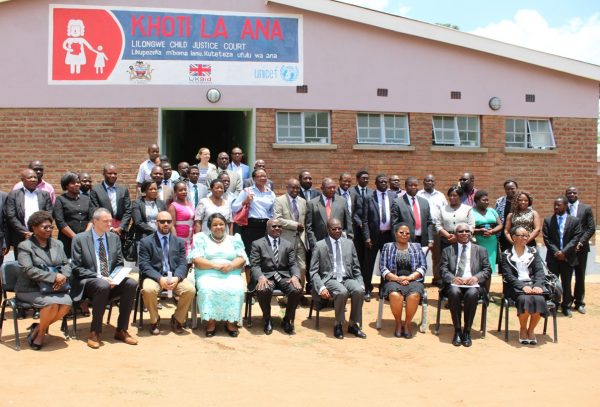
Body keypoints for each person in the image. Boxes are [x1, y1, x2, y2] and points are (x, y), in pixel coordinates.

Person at [71, 208, 138, 348]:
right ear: (95, 222)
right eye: (105, 221)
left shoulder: (114, 238)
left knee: (131, 283)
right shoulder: (80, 239)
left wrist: (115, 278)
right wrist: (100, 277)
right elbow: (76, 268)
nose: (109, 224)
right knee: (102, 285)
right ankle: (94, 332)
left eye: (110, 221)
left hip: (110, 281)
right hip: (89, 282)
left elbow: (119, 263)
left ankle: (121, 330)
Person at [15, 211, 72, 350]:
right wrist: (53, 277)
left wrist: (63, 275)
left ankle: (38, 328)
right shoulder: (25, 246)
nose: (49, 230)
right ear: (33, 228)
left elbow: (66, 263)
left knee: (66, 304)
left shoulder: (57, 244)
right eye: (44, 227)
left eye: (50, 227)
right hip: (29, 288)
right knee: (51, 304)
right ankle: (41, 335)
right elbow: (27, 270)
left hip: (55, 286)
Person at [188, 213, 248, 337]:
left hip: (230, 272)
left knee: (236, 288)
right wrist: (216, 266)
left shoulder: (234, 239)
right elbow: (197, 260)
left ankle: (231, 322)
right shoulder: (201, 238)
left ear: (225, 226)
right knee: (207, 289)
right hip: (207, 273)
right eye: (215, 224)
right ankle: (211, 322)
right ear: (209, 227)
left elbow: (242, 258)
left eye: (221, 224)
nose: (218, 227)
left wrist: (230, 266)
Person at [138, 211, 196, 335]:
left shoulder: (179, 242)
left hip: (174, 277)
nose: (166, 224)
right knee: (148, 289)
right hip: (154, 277)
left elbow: (182, 263)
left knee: (190, 289)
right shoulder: (146, 242)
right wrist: (159, 278)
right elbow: (144, 265)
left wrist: (178, 277)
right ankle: (154, 320)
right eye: (162, 221)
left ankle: (177, 319)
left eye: (169, 222)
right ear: (156, 223)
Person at [310, 218, 366, 339]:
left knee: (359, 290)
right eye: (334, 229)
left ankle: (353, 324)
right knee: (342, 292)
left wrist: (360, 282)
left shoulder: (349, 243)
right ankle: (338, 324)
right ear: (327, 229)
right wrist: (321, 287)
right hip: (329, 279)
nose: (337, 231)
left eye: (339, 228)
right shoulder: (320, 245)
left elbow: (356, 267)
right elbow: (313, 272)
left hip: (347, 277)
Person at [440, 223, 491, 347]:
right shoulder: (448, 250)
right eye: (461, 231)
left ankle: (467, 331)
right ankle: (457, 330)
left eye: (467, 231)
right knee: (454, 292)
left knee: (472, 294)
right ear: (456, 234)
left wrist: (476, 278)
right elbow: (442, 269)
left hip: (473, 284)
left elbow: (487, 269)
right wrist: (453, 279)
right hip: (455, 284)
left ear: (471, 233)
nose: (464, 233)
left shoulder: (480, 250)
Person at [250, 219, 303, 335]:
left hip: (284, 277)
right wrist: (260, 277)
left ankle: (287, 319)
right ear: (267, 228)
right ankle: (267, 319)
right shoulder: (258, 244)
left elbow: (293, 264)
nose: (277, 228)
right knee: (263, 290)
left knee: (297, 290)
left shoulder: (287, 244)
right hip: (267, 277)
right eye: (274, 226)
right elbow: (255, 265)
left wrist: (295, 276)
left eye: (279, 226)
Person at [501, 226, 548, 344]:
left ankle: (531, 330)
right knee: (524, 299)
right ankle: (523, 328)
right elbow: (508, 275)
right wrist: (522, 286)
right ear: (514, 237)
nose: (525, 238)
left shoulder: (533, 252)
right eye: (522, 235)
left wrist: (537, 285)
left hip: (533, 284)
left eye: (526, 235)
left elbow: (539, 271)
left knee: (539, 299)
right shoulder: (506, 254)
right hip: (514, 287)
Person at [379, 224, 427, 338]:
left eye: (407, 233)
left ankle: (408, 324)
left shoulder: (417, 247)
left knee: (414, 295)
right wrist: (397, 278)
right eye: (401, 232)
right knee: (395, 295)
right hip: (393, 279)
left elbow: (423, 266)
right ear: (395, 234)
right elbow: (383, 268)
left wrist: (409, 278)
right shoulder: (388, 247)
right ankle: (398, 323)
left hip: (413, 280)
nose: (404, 235)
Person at [542, 196, 582, 317]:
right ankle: (553, 304)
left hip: (568, 257)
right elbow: (547, 238)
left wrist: (564, 252)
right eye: (555, 205)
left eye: (559, 205)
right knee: (552, 282)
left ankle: (566, 306)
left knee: (566, 282)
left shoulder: (574, 221)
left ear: (565, 206)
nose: (556, 207)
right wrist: (557, 252)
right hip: (553, 257)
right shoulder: (548, 220)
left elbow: (576, 238)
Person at [360, 174, 397, 301]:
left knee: (387, 264)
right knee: (368, 264)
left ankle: (384, 289)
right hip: (373, 236)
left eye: (386, 181)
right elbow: (364, 219)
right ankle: (367, 289)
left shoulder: (393, 196)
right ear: (375, 183)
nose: (384, 183)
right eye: (381, 182)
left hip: (389, 236)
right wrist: (366, 237)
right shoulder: (368, 197)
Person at [5, 169, 53, 256]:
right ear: (22, 180)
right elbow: (11, 216)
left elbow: (49, 213)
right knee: (23, 264)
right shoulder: (14, 195)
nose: (34, 179)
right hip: (21, 237)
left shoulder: (44, 194)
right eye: (30, 177)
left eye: (35, 177)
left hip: (42, 236)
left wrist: (40, 231)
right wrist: (25, 232)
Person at [231, 169, 276, 259]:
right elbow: (234, 208)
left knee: (264, 253)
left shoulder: (271, 193)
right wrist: (245, 201)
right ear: (254, 179)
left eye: (264, 176)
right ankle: (250, 273)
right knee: (250, 253)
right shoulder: (247, 191)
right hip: (250, 226)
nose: (263, 178)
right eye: (260, 176)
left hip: (265, 227)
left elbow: (273, 211)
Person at [274, 178, 309, 291]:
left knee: (302, 267)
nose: (295, 190)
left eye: (297, 188)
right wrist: (295, 225)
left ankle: (300, 292)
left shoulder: (303, 201)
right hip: (286, 239)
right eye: (293, 187)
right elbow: (277, 219)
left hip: (301, 239)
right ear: (287, 187)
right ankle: (288, 295)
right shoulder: (279, 200)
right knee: (287, 267)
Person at [565, 186, 596, 314]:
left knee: (580, 275)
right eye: (569, 192)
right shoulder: (562, 207)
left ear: (578, 194)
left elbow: (591, 228)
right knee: (566, 276)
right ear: (566, 194)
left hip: (581, 249)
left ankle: (579, 303)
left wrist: (580, 242)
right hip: (567, 248)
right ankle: (566, 302)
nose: (572, 194)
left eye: (574, 192)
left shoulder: (586, 208)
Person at [53, 172, 94, 258]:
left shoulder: (87, 199)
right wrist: (75, 237)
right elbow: (60, 222)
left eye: (78, 182)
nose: (77, 185)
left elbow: (92, 218)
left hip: (86, 239)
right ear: (66, 186)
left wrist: (85, 235)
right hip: (67, 240)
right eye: (73, 183)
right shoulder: (60, 200)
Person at [305, 177, 353, 250]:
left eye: (334, 187)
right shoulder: (312, 203)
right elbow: (309, 227)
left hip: (339, 243)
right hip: (320, 244)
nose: (332, 190)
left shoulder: (342, 201)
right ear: (322, 188)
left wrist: (349, 242)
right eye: (329, 188)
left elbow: (348, 224)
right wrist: (314, 245)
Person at [417, 174, 447, 286]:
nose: (429, 182)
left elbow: (445, 211)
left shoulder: (440, 196)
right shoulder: (418, 194)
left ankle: (437, 278)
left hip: (437, 227)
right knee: (421, 254)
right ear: (423, 182)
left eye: (431, 181)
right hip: (422, 228)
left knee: (437, 255)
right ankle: (419, 278)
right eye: (427, 180)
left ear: (434, 182)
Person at [89, 164, 132, 243]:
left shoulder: (123, 190)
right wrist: (111, 228)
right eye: (110, 173)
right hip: (103, 230)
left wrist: (121, 227)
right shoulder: (96, 190)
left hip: (120, 232)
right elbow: (95, 211)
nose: (113, 175)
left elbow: (128, 211)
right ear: (104, 174)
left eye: (115, 174)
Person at [391, 176, 433, 249]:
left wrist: (430, 240)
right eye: (411, 185)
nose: (413, 187)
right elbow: (394, 224)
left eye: (415, 185)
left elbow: (429, 222)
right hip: (405, 240)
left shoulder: (424, 202)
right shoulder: (398, 202)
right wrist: (397, 240)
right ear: (406, 186)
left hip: (423, 240)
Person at [472, 190, 503, 275]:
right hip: (478, 240)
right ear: (477, 201)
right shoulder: (471, 212)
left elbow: (500, 225)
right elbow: (468, 228)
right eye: (484, 200)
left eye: (487, 200)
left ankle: (491, 279)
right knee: (480, 260)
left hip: (491, 240)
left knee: (491, 260)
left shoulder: (492, 211)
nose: (487, 202)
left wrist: (492, 231)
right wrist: (479, 231)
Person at [435, 186, 474, 251]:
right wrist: (448, 236)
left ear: (460, 196)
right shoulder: (442, 209)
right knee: (447, 260)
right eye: (450, 195)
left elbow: (471, 226)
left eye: (455, 195)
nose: (452, 197)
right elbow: (438, 225)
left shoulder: (468, 209)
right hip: (446, 240)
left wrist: (458, 237)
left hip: (463, 240)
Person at [131, 181, 167, 250]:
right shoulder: (137, 203)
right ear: (145, 190)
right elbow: (138, 222)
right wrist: (154, 231)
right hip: (144, 237)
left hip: (160, 237)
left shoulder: (161, 203)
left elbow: (166, 219)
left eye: (155, 189)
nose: (153, 191)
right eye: (151, 189)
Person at [168, 181, 195, 255]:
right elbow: (172, 225)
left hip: (191, 240)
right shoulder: (173, 206)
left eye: (185, 189)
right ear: (175, 192)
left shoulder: (190, 204)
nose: (184, 192)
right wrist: (175, 241)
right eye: (180, 190)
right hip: (180, 240)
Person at [495, 179, 518, 252]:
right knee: (505, 255)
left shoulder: (522, 200)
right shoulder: (500, 201)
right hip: (504, 234)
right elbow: (496, 216)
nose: (510, 191)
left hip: (518, 233)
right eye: (507, 189)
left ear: (516, 188)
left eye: (512, 188)